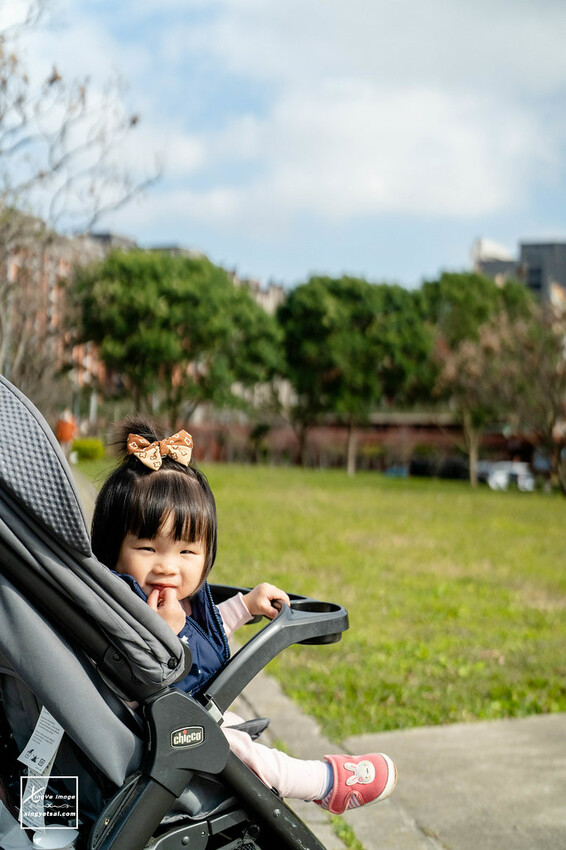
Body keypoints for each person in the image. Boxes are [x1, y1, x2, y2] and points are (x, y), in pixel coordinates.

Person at [91, 418, 397, 815]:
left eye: (186, 552)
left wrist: (246, 605)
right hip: (160, 732)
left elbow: (203, 629)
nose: (168, 567)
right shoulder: (124, 612)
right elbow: (132, 679)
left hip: (195, 714)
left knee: (235, 736)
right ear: (112, 549)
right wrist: (161, 641)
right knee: (238, 751)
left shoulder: (174, 600)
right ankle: (324, 783)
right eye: (148, 548)